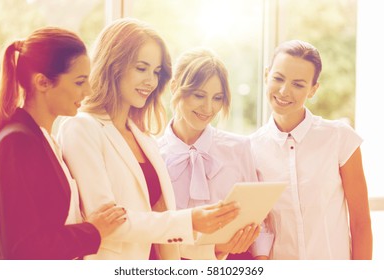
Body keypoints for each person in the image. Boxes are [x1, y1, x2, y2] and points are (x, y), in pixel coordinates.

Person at [57, 18, 239, 260]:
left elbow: (159, 228)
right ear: (113, 65)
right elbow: (109, 223)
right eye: (141, 69)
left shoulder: (144, 138)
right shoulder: (82, 128)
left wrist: (215, 248)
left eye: (156, 72)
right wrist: (191, 220)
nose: (151, 81)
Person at [0, 27, 126, 260]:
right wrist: (92, 231)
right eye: (79, 82)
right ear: (43, 82)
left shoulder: (45, 139)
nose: (88, 91)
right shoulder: (17, 142)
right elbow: (23, 249)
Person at [250, 39, 373, 259]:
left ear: (313, 89)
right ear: (266, 75)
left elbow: (360, 223)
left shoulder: (340, 138)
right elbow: (258, 227)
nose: (284, 91)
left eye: (298, 84)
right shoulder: (251, 149)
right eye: (278, 78)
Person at [158, 48, 273, 260]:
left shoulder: (238, 148)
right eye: (199, 95)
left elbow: (261, 221)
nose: (208, 108)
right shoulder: (154, 155)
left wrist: (260, 260)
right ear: (174, 87)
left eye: (217, 98)